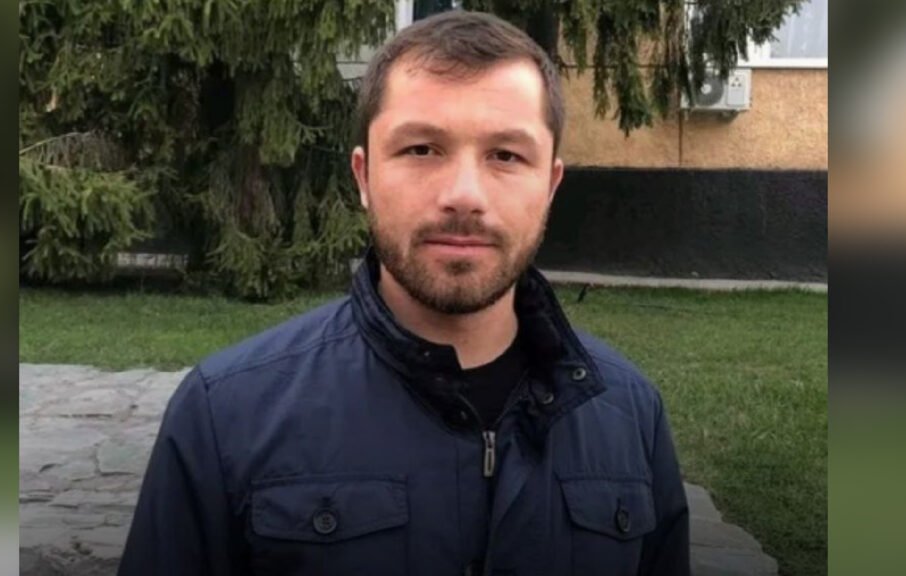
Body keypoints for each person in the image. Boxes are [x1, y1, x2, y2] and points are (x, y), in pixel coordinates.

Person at [119, 10, 689, 576]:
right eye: (421, 149)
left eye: (506, 155)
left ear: (550, 185)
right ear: (364, 177)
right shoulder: (224, 416)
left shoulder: (630, 415)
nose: (464, 195)